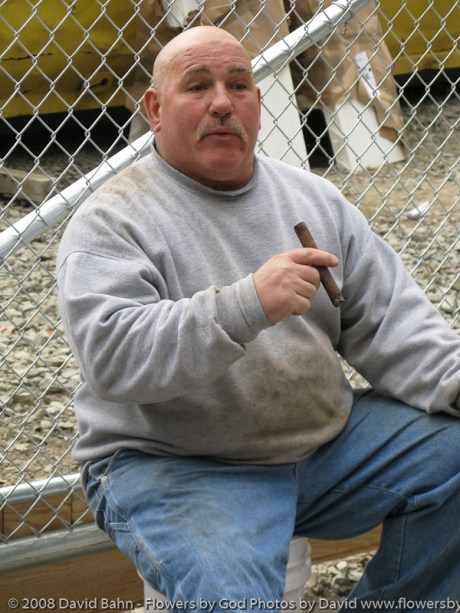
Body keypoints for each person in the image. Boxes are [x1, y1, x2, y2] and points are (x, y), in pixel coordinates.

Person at [57, 25, 460, 610]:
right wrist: (246, 304)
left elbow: (395, 325)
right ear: (154, 110)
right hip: (179, 465)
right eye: (197, 86)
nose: (222, 102)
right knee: (233, 599)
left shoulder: (315, 201)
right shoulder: (113, 220)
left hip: (321, 448)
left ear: (258, 102)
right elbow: (115, 362)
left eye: (238, 84)